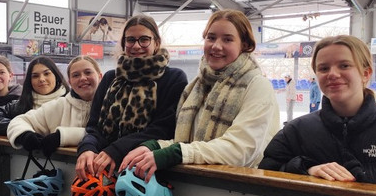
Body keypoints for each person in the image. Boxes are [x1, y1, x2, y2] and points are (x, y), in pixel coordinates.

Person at [259, 35, 376, 191]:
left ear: (366, 74)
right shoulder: (296, 130)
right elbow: (265, 177)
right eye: (323, 68)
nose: (332, 73)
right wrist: (306, 168)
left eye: (344, 65)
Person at [119, 10, 280, 180]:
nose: (216, 46)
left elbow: (240, 150)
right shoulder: (196, 87)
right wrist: (153, 146)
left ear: (245, 45)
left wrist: (174, 153)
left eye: (227, 39)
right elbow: (188, 143)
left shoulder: (257, 86)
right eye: (211, 38)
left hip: (241, 189)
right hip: (199, 187)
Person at [75, 14, 187, 181]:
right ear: (123, 44)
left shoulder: (173, 78)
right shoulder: (110, 79)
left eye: (144, 40)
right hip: (105, 170)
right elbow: (94, 126)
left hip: (148, 173)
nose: (136, 46)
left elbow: (163, 128)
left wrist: (116, 149)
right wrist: (87, 147)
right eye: (130, 40)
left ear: (156, 42)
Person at [6, 55, 102, 156]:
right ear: (69, 82)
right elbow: (19, 121)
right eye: (76, 75)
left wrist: (62, 137)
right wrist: (25, 135)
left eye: (88, 72)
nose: (82, 78)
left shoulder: (110, 106)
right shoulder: (59, 105)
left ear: (100, 76)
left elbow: (108, 135)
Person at [0, 56, 69, 136]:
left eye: (46, 74)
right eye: (35, 76)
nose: (41, 79)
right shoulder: (20, 105)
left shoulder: (70, 102)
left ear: (56, 76)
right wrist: (22, 128)